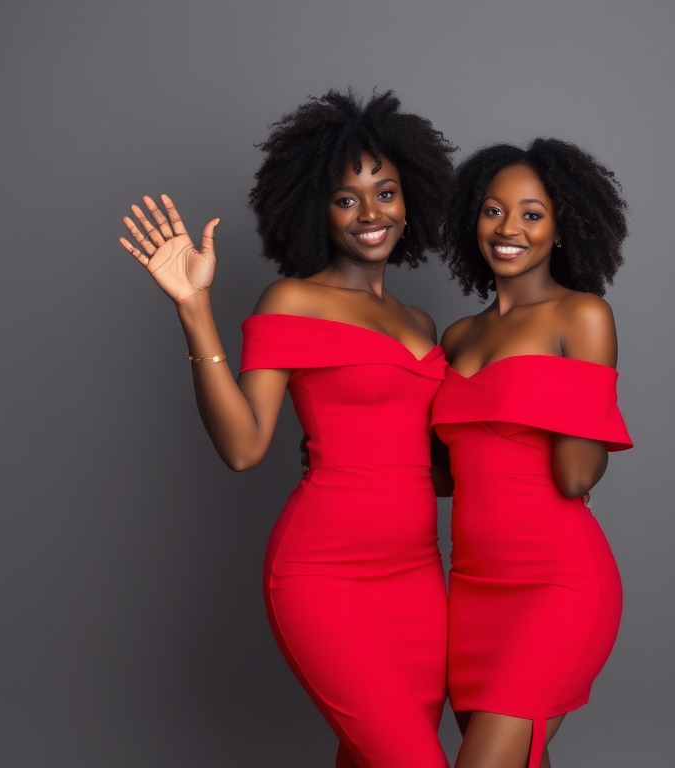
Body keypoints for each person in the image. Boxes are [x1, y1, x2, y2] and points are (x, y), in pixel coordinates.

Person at [117, 89, 456, 768]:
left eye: (385, 192)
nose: (370, 213)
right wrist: (195, 308)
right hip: (325, 575)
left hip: (419, 580)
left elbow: (441, 470)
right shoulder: (294, 302)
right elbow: (243, 447)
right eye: (345, 198)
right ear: (315, 208)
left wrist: (537, 468)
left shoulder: (422, 324)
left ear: (411, 196)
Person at [431, 138, 633, 768]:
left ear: (563, 227)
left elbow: (574, 476)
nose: (508, 228)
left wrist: (582, 419)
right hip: (470, 589)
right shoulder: (457, 336)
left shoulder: (583, 317)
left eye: (532, 213)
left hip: (556, 581)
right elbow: (441, 475)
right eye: (493, 210)